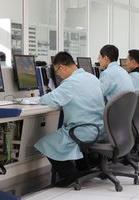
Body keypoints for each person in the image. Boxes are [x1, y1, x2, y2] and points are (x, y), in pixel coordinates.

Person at [34, 52, 105, 187]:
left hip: (84, 131)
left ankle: (70, 175)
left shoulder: (70, 82)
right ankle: (84, 170)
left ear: (62, 67)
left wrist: (39, 98)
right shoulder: (93, 78)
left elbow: (49, 99)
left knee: (46, 142)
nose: (58, 75)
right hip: (100, 128)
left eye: (57, 72)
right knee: (64, 134)